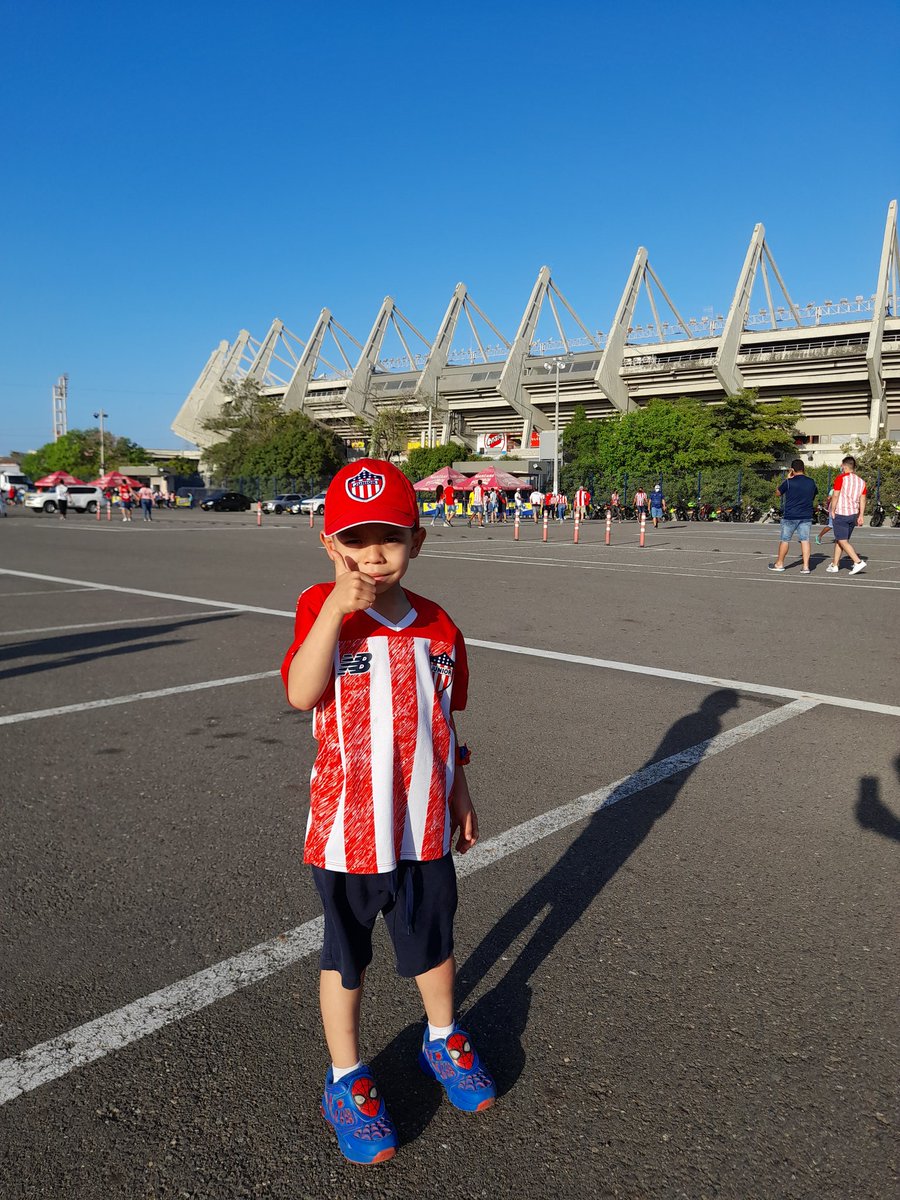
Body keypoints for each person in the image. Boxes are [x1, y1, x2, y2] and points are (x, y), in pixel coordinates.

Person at [281, 459, 495, 1165]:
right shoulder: (322, 608)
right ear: (329, 543)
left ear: (418, 540)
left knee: (432, 937)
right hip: (347, 828)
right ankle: (345, 1078)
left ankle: (442, 1037)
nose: (373, 555)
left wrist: (460, 786)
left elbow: (444, 720)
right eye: (356, 539)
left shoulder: (439, 625)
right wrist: (337, 614)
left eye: (391, 538)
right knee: (347, 953)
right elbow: (301, 693)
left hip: (422, 823)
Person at [767, 459, 818, 574]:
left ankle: (779, 563)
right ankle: (806, 567)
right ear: (803, 469)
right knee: (805, 540)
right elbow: (814, 494)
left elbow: (778, 493)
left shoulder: (789, 482)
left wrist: (787, 479)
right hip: (806, 515)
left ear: (792, 469)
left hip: (790, 515)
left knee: (785, 540)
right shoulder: (811, 482)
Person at [827, 455, 867, 575]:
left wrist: (832, 510)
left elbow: (836, 495)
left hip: (841, 512)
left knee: (842, 540)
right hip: (853, 513)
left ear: (844, 466)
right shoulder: (861, 482)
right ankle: (835, 564)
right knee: (841, 539)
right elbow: (863, 499)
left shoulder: (841, 478)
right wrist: (861, 515)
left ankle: (858, 562)